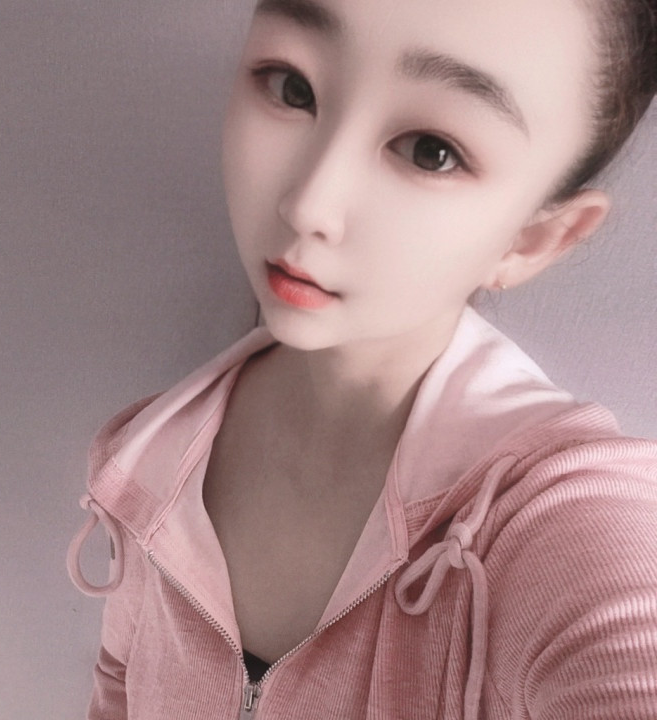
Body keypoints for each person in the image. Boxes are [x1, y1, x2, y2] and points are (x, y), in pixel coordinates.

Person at [67, 0, 657, 717]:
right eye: (292, 87)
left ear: (534, 240)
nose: (308, 204)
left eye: (431, 150)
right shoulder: (144, 460)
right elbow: (118, 691)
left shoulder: (555, 514)